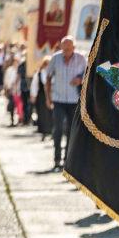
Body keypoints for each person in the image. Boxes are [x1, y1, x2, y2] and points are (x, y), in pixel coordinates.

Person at [46, 37, 87, 171]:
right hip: (58, 100)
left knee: (71, 130)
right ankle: (57, 158)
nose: (66, 52)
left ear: (73, 48)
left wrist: (80, 79)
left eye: (68, 49)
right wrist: (48, 97)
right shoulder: (55, 59)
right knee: (57, 128)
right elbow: (48, 76)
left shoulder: (81, 59)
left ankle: (67, 160)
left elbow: (89, 77)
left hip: (74, 100)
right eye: (64, 49)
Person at [29, 57, 52, 139]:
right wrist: (33, 95)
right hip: (41, 96)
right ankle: (43, 131)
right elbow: (34, 85)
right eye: (46, 64)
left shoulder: (53, 73)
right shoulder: (39, 74)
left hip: (51, 96)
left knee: (50, 113)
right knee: (42, 113)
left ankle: (50, 130)